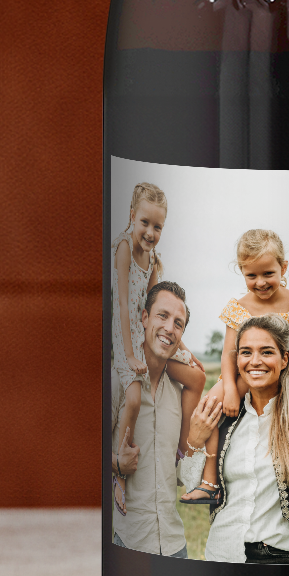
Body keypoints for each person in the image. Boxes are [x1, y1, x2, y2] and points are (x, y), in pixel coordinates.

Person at [184, 228, 289, 508]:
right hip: (250, 370)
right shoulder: (238, 307)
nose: (261, 282)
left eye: (268, 274)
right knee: (211, 404)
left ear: (283, 267)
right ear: (241, 272)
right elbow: (229, 354)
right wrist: (230, 388)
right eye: (251, 275)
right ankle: (209, 482)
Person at [189, 315, 289, 564]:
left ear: (284, 359)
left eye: (267, 352)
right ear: (236, 359)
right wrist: (195, 440)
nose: (255, 361)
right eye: (246, 352)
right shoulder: (224, 415)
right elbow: (188, 482)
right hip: (224, 556)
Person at [109, 184, 205, 470]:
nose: (151, 233)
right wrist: (128, 354)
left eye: (158, 227)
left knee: (198, 376)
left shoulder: (152, 259)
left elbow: (155, 307)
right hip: (126, 334)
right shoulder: (124, 247)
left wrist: (187, 352)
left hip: (148, 333)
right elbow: (124, 305)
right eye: (145, 223)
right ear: (131, 216)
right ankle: (120, 458)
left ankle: (183, 452)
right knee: (134, 396)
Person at [111, 281, 194, 556]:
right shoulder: (118, 383)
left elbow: (181, 471)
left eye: (178, 323)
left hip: (175, 546)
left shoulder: (181, 394)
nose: (170, 328)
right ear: (144, 318)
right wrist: (116, 464)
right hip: (128, 541)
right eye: (162, 316)